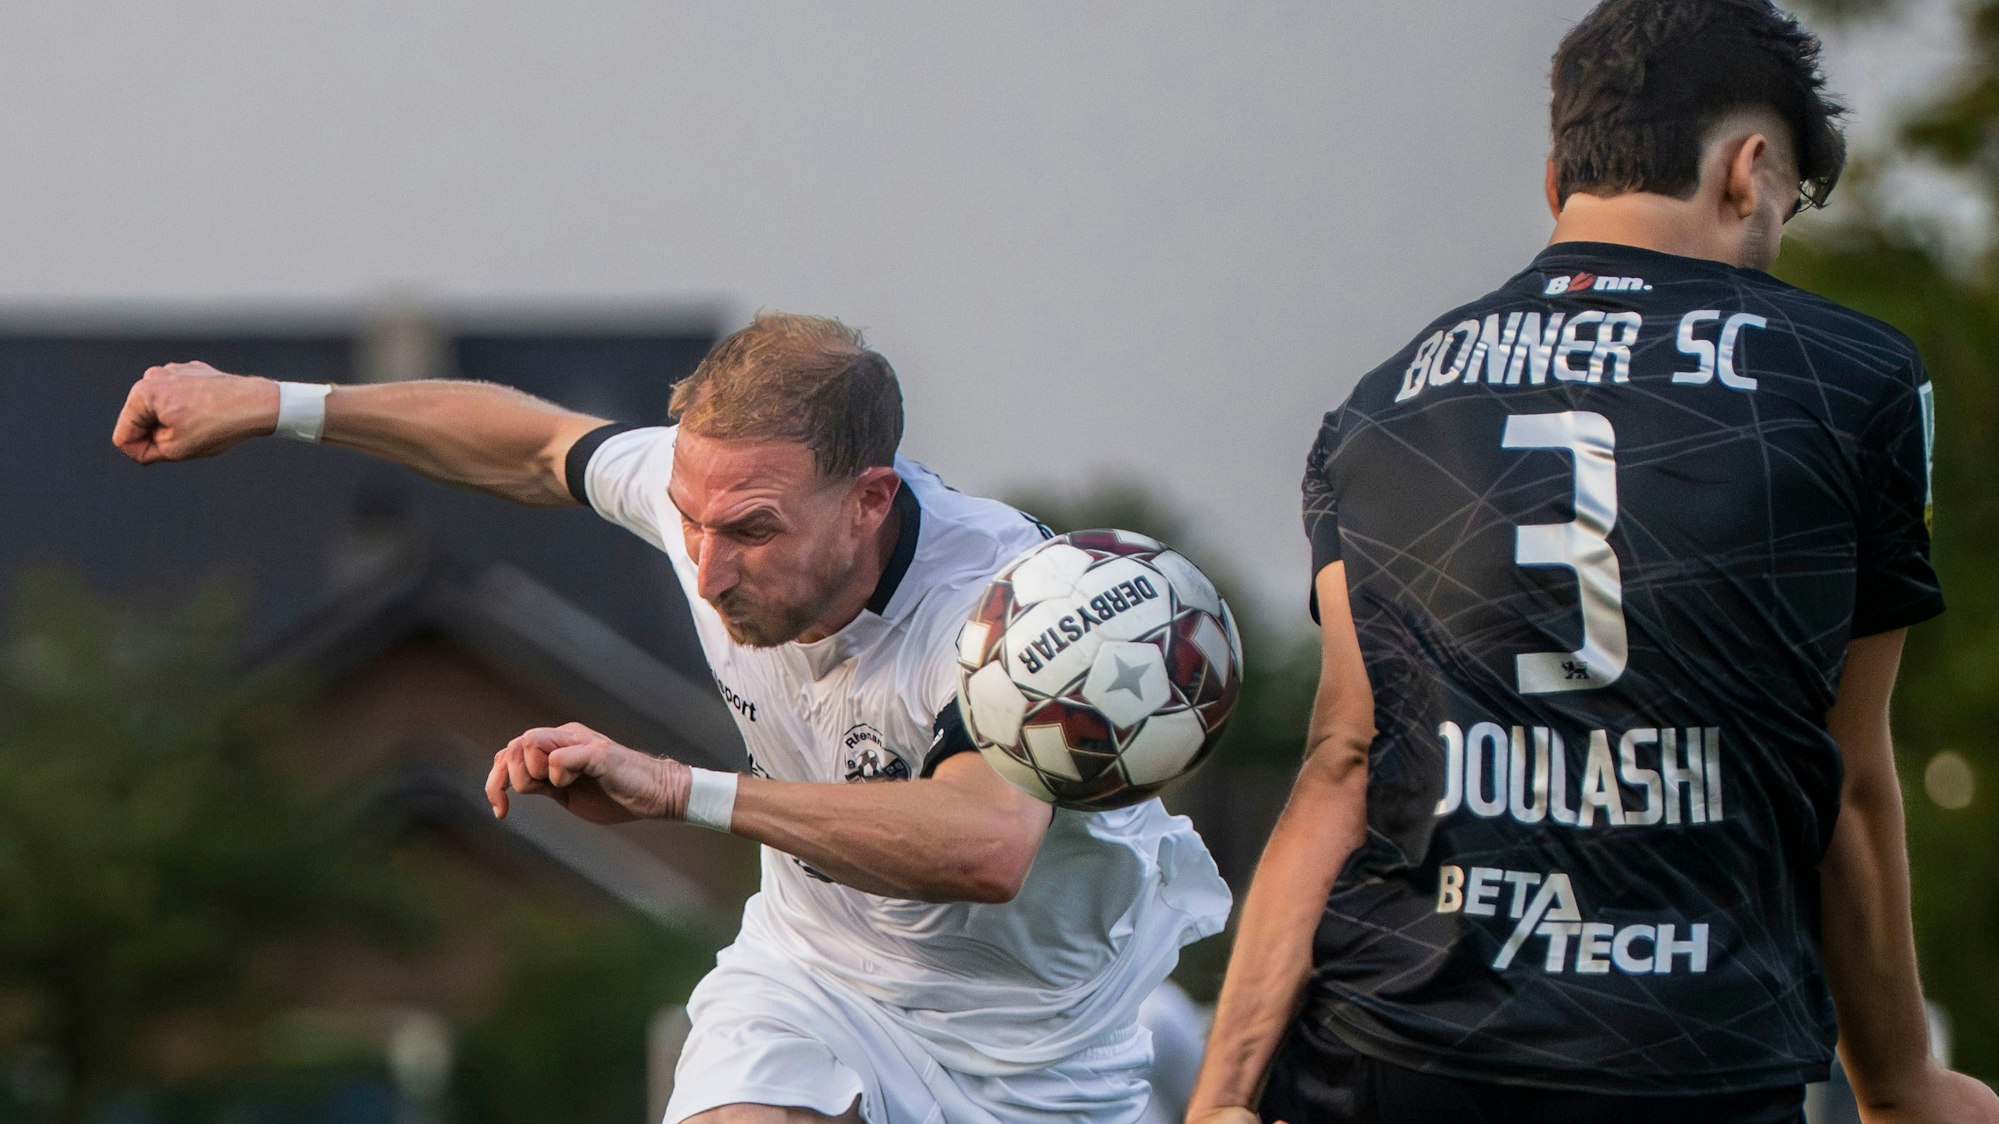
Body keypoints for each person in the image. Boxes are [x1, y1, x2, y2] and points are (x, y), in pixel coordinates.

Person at [1186, 2, 1999, 1122]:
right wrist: (1899, 1082)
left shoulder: (1379, 403)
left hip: (1397, 1045)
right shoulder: (1853, 379)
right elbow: (1845, 778)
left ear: (1556, 177)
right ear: (1746, 171)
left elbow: (1343, 760)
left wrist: (1219, 1094)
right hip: (1692, 1055)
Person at [111, 312, 1230, 1123]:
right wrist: (278, 404)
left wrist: (676, 789)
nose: (708, 567)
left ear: (871, 500)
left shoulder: (1004, 600)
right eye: (691, 519)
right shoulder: (717, 491)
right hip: (816, 976)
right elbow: (533, 443)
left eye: (750, 531)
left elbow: (981, 847)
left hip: (1034, 1044)